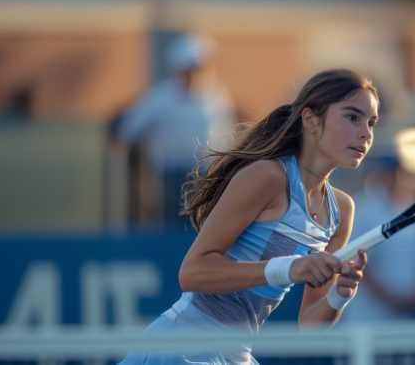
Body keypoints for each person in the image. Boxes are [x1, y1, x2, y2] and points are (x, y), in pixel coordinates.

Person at [119, 69, 379, 365]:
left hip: (235, 355)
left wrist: (340, 295)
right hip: (182, 345)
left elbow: (309, 325)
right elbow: (192, 273)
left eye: (371, 122)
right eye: (352, 117)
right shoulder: (266, 176)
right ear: (310, 120)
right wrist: (288, 268)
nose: (365, 133)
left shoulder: (342, 211)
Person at [119, 34, 234, 226]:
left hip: (208, 174)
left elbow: (225, 136)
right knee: (173, 225)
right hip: (171, 174)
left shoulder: (217, 96)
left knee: (204, 226)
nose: (195, 74)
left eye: (200, 68)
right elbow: (130, 129)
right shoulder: (160, 98)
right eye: (190, 69)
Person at [341, 154, 415, 323]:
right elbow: (355, 265)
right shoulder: (362, 210)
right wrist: (391, 299)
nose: (395, 178)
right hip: (367, 323)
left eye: (399, 173)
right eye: (390, 173)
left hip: (406, 322)